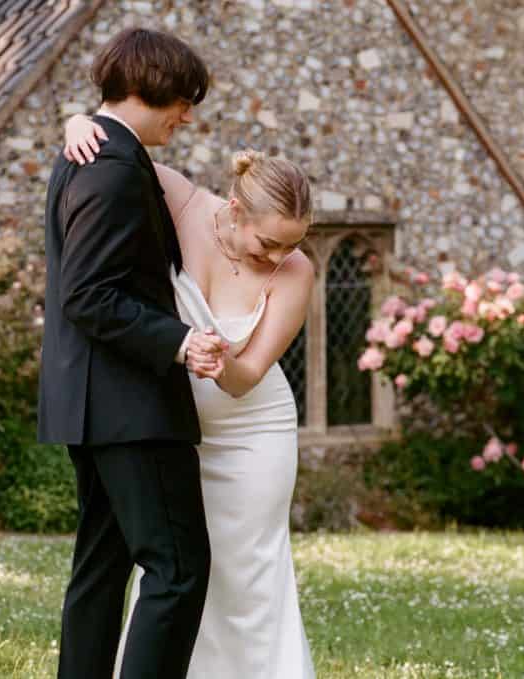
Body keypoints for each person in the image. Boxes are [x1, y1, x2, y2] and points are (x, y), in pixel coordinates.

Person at [63, 111, 318, 678]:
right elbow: (115, 152)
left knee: (245, 568)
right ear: (235, 208)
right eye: (268, 242)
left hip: (253, 432)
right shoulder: (181, 201)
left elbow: (249, 373)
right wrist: (76, 122)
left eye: (291, 245)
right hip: (172, 425)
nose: (277, 257)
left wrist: (211, 356)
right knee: (175, 566)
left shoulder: (295, 272)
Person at [38, 27, 228, 679]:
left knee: (101, 568)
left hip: (94, 405)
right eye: (182, 99)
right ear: (149, 87)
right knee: (177, 570)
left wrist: (75, 117)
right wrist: (178, 341)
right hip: (131, 407)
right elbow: (88, 295)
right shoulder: (113, 165)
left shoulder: (93, 149)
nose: (187, 115)